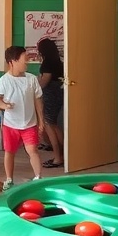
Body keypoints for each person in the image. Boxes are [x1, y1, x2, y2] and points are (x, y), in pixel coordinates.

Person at [0, 45, 44, 190]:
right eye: (24, 59)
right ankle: (9, 179)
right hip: (10, 125)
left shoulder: (31, 79)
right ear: (12, 62)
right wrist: (4, 105)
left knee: (33, 150)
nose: (26, 62)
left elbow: (38, 100)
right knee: (10, 152)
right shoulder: (4, 80)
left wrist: (41, 120)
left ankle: (38, 177)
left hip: (30, 123)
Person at [37, 37, 64, 168]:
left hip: (50, 95)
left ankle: (58, 158)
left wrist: (35, 88)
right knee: (54, 125)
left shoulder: (47, 63)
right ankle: (65, 154)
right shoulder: (58, 62)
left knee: (49, 124)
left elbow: (45, 81)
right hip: (58, 93)